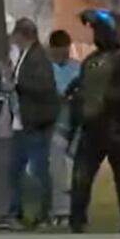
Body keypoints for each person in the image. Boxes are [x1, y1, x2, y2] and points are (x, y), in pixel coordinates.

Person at [68, 9, 120, 233]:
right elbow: (81, 89)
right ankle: (77, 222)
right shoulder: (91, 61)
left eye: (99, 30)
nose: (95, 35)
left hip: (116, 127)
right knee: (81, 178)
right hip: (91, 127)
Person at [0, 18, 60, 231]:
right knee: (14, 169)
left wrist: (15, 84)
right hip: (23, 121)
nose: (13, 39)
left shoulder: (38, 57)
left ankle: (45, 214)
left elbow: (44, 86)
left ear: (23, 35)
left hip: (35, 122)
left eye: (15, 35)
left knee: (39, 169)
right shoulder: (26, 55)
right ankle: (16, 212)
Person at [48, 30, 81, 226]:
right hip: (56, 124)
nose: (62, 56)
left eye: (65, 51)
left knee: (74, 169)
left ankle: (74, 209)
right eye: (59, 52)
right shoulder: (46, 69)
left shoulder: (77, 68)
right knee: (57, 168)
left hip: (75, 124)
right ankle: (60, 209)